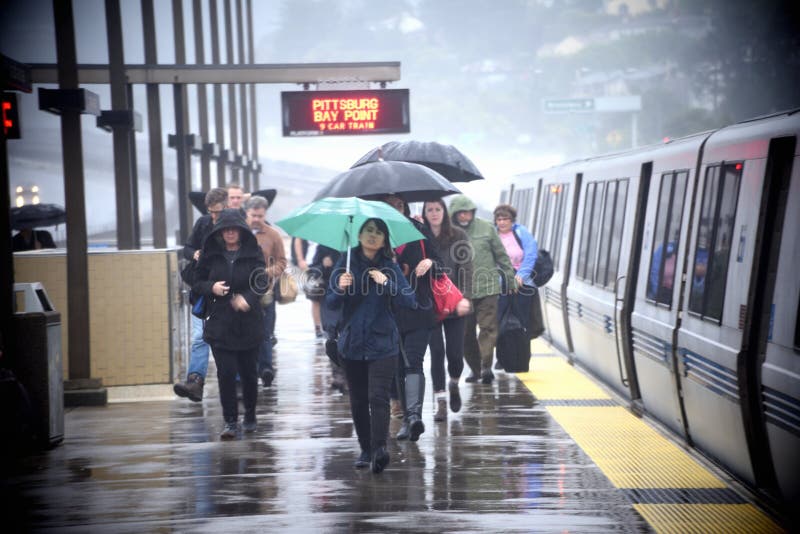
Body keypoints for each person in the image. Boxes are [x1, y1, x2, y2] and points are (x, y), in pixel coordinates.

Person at [326, 218, 419, 473]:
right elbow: (330, 303)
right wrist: (339, 288)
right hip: (352, 343)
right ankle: (365, 448)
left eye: (378, 232)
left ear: (384, 239)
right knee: (358, 399)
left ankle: (380, 449)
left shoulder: (389, 267)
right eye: (368, 231)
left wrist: (386, 283)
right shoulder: (345, 264)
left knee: (378, 397)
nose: (373, 236)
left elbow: (409, 301)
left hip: (383, 342)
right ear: (359, 235)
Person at [192, 208, 266, 439]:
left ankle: (251, 414)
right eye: (226, 229)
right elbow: (195, 280)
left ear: (242, 231)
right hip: (220, 323)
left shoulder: (254, 252)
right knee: (226, 373)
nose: (231, 233)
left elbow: (262, 281)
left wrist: (248, 298)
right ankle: (230, 421)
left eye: (235, 229)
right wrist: (210, 287)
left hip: (248, 323)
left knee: (248, 374)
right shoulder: (210, 254)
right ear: (220, 232)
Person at [380, 194, 441, 442]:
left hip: (419, 306)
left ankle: (413, 417)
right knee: (397, 364)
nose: (396, 209)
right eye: (390, 205)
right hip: (388, 310)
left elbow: (441, 262)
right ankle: (406, 417)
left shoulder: (418, 229)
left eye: (399, 205)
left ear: (405, 207)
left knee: (414, 361)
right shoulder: (375, 233)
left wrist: (429, 262)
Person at [449, 195, 517, 384]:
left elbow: (501, 255)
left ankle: (486, 365)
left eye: (468, 212)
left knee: (488, 328)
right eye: (460, 213)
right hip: (461, 293)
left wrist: (510, 280)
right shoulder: (449, 233)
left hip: (487, 288)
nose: (465, 216)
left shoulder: (486, 228)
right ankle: (475, 368)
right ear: (454, 214)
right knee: (465, 334)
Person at [174, 187, 228, 402]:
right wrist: (194, 253)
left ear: (227, 207)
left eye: (218, 212)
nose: (214, 216)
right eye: (211, 212)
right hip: (202, 289)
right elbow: (187, 248)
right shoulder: (203, 224)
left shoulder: (234, 226)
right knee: (199, 337)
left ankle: (234, 381)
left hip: (224, 290)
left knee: (226, 339)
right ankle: (195, 380)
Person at [422, 199, 472, 420]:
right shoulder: (419, 235)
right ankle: (440, 402)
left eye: (438, 209)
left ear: (445, 211)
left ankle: (453, 382)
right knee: (436, 353)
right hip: (430, 305)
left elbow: (467, 268)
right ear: (424, 213)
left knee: (455, 353)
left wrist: (465, 298)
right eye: (429, 210)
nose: (434, 214)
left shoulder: (458, 236)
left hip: (454, 302)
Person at [244, 195, 287, 389]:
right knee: (246, 334)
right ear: (247, 213)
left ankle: (267, 369)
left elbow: (282, 262)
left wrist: (266, 272)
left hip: (265, 291)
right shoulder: (238, 233)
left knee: (266, 333)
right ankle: (248, 371)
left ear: (265, 214)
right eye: (253, 215)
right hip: (243, 292)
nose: (256, 219)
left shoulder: (273, 235)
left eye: (260, 216)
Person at [493, 204, 539, 369]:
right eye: (499, 219)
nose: (502, 222)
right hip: (500, 286)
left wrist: (521, 276)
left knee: (522, 323)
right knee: (500, 322)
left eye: (506, 219)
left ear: (512, 220)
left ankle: (522, 359)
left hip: (522, 285)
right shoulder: (492, 235)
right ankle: (502, 358)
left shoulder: (522, 233)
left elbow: (531, 254)